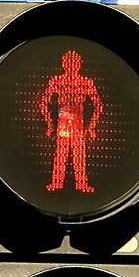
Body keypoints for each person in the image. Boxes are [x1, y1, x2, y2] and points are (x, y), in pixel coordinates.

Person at [40, 49, 102, 194]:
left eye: (74, 63)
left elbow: (98, 105)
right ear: (64, 64)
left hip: (77, 120)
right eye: (69, 62)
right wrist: (49, 124)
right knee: (62, 153)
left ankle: (80, 184)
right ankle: (57, 183)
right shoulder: (57, 81)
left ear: (79, 65)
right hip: (63, 119)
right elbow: (44, 102)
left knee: (78, 153)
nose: (72, 66)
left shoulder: (86, 82)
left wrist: (92, 126)